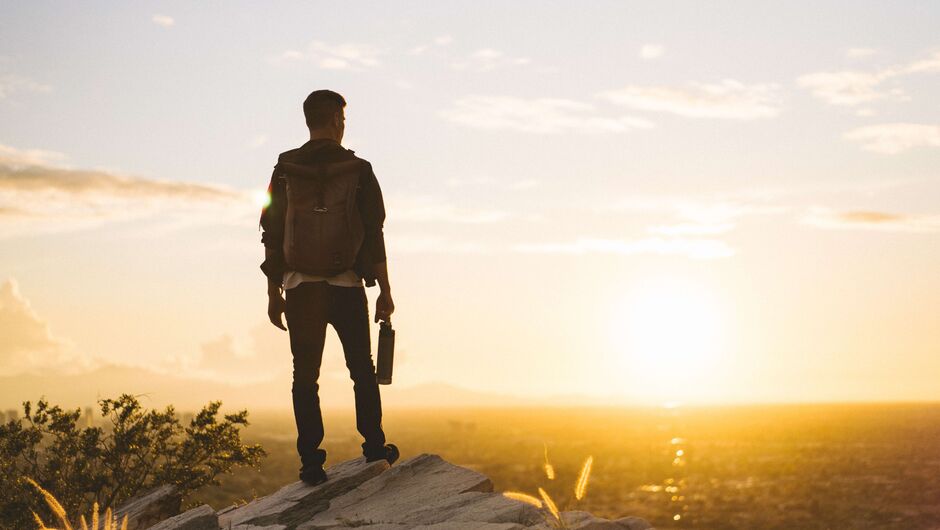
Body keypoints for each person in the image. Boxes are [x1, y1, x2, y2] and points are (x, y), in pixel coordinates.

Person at [258, 89, 398, 486]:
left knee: (305, 375)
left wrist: (273, 293)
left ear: (308, 121)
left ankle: (311, 464)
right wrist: (385, 291)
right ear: (338, 120)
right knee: (362, 370)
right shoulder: (359, 169)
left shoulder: (285, 169)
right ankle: (374, 447)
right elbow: (374, 234)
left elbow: (271, 230)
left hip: (300, 287)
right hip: (347, 285)